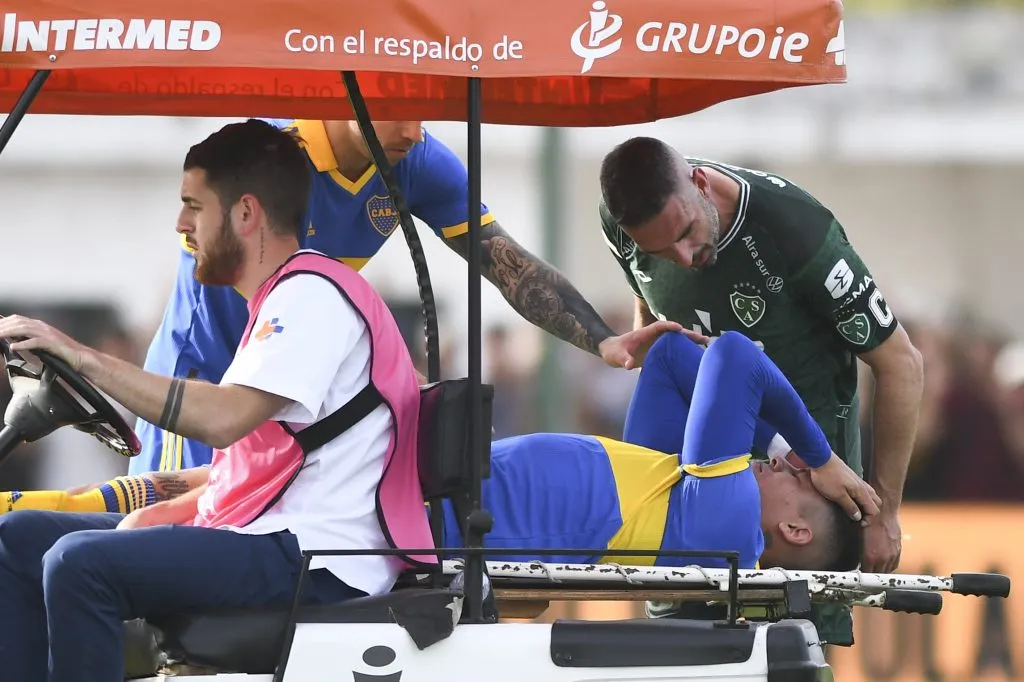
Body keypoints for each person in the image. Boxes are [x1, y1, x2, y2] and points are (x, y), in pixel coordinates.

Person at [0, 119, 434, 682]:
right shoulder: (283, 301)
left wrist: (83, 359)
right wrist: (158, 510)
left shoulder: (311, 296)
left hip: (316, 558)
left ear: (246, 214)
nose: (181, 225)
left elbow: (222, 420)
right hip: (266, 536)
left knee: (77, 564)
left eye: (194, 207)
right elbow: (251, 465)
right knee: (19, 539)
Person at [134, 118, 683, 477]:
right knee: (164, 572)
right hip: (203, 393)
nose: (413, 130)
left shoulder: (416, 160)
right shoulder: (268, 164)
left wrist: (607, 342)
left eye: (421, 109)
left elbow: (504, 261)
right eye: (396, 107)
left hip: (283, 404)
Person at [596, 138, 924, 641]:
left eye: (686, 233)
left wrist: (888, 511)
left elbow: (901, 363)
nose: (682, 258)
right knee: (680, 644)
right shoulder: (622, 216)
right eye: (660, 250)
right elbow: (651, 307)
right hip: (700, 469)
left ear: (700, 183)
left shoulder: (795, 229)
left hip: (805, 479)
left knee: (791, 648)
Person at [440, 331, 879, 572]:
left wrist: (818, 456)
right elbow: (669, 357)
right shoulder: (682, 496)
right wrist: (803, 455)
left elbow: (734, 354)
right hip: (449, 493)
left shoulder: (729, 523)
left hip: (446, 520)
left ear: (794, 530)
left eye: (798, 476)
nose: (784, 463)